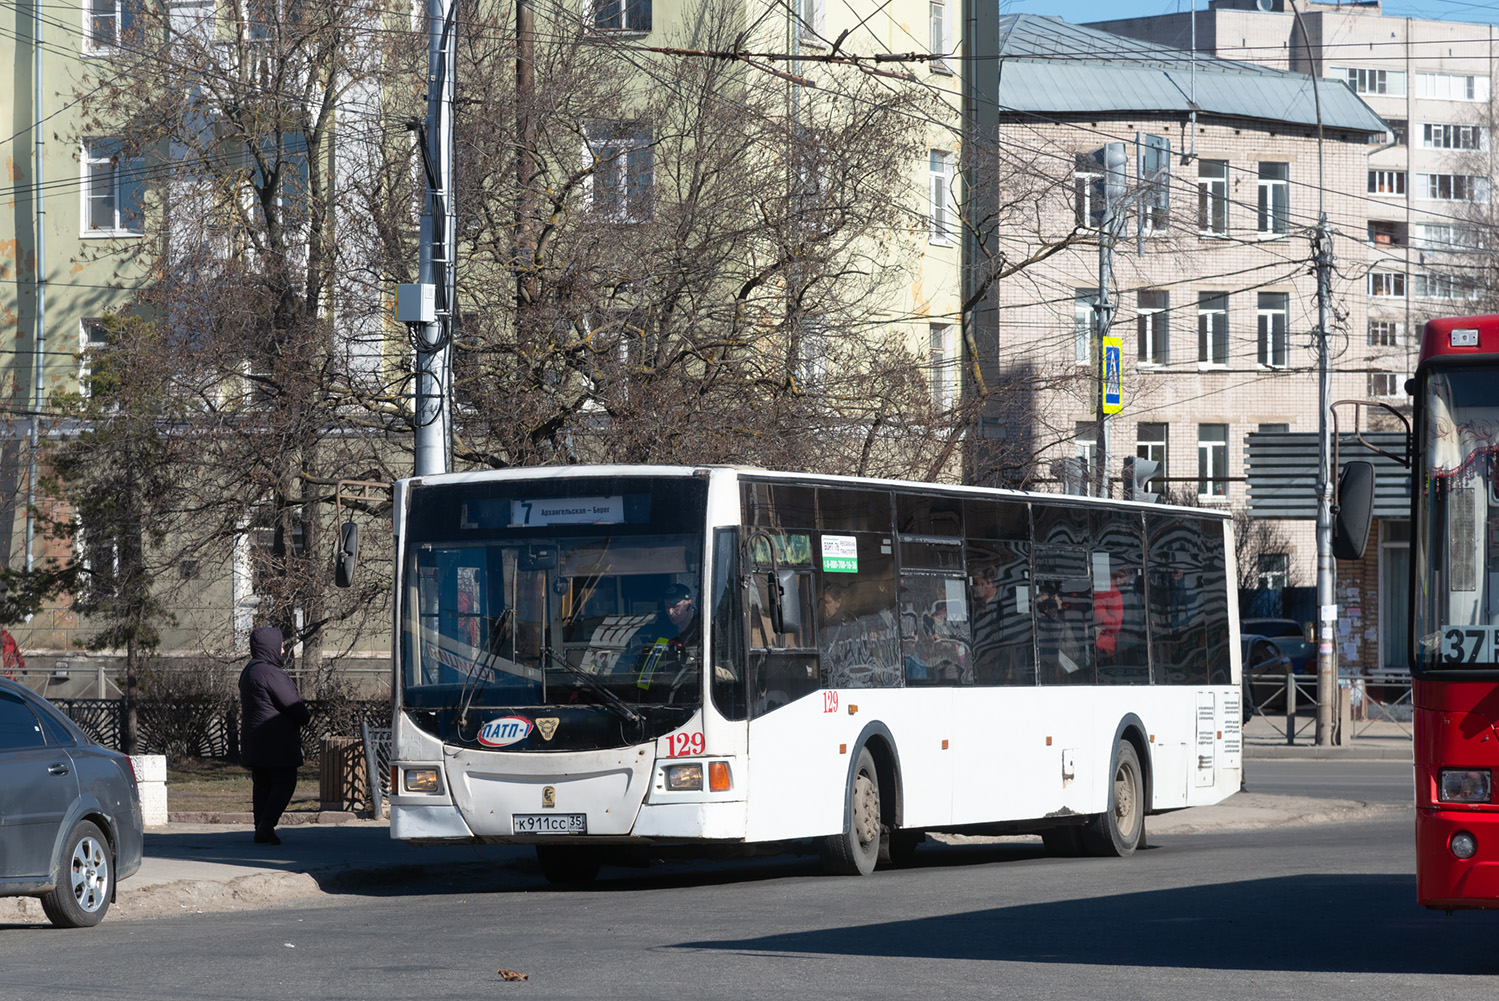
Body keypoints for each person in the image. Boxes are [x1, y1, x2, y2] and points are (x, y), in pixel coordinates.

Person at [239, 626, 310, 846]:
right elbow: (293, 705)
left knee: (262, 784)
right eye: (280, 645)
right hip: (276, 740)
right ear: (269, 646)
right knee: (285, 783)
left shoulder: (249, 670)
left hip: (255, 739)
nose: (282, 650)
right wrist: (304, 716)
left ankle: (260, 826)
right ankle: (267, 825)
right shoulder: (271, 673)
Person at [620, 583, 699, 689]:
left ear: (689, 604)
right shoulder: (662, 628)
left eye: (675, 607)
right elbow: (654, 654)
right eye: (667, 607)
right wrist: (644, 682)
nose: (670, 612)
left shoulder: (703, 625)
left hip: (695, 686)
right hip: (665, 686)